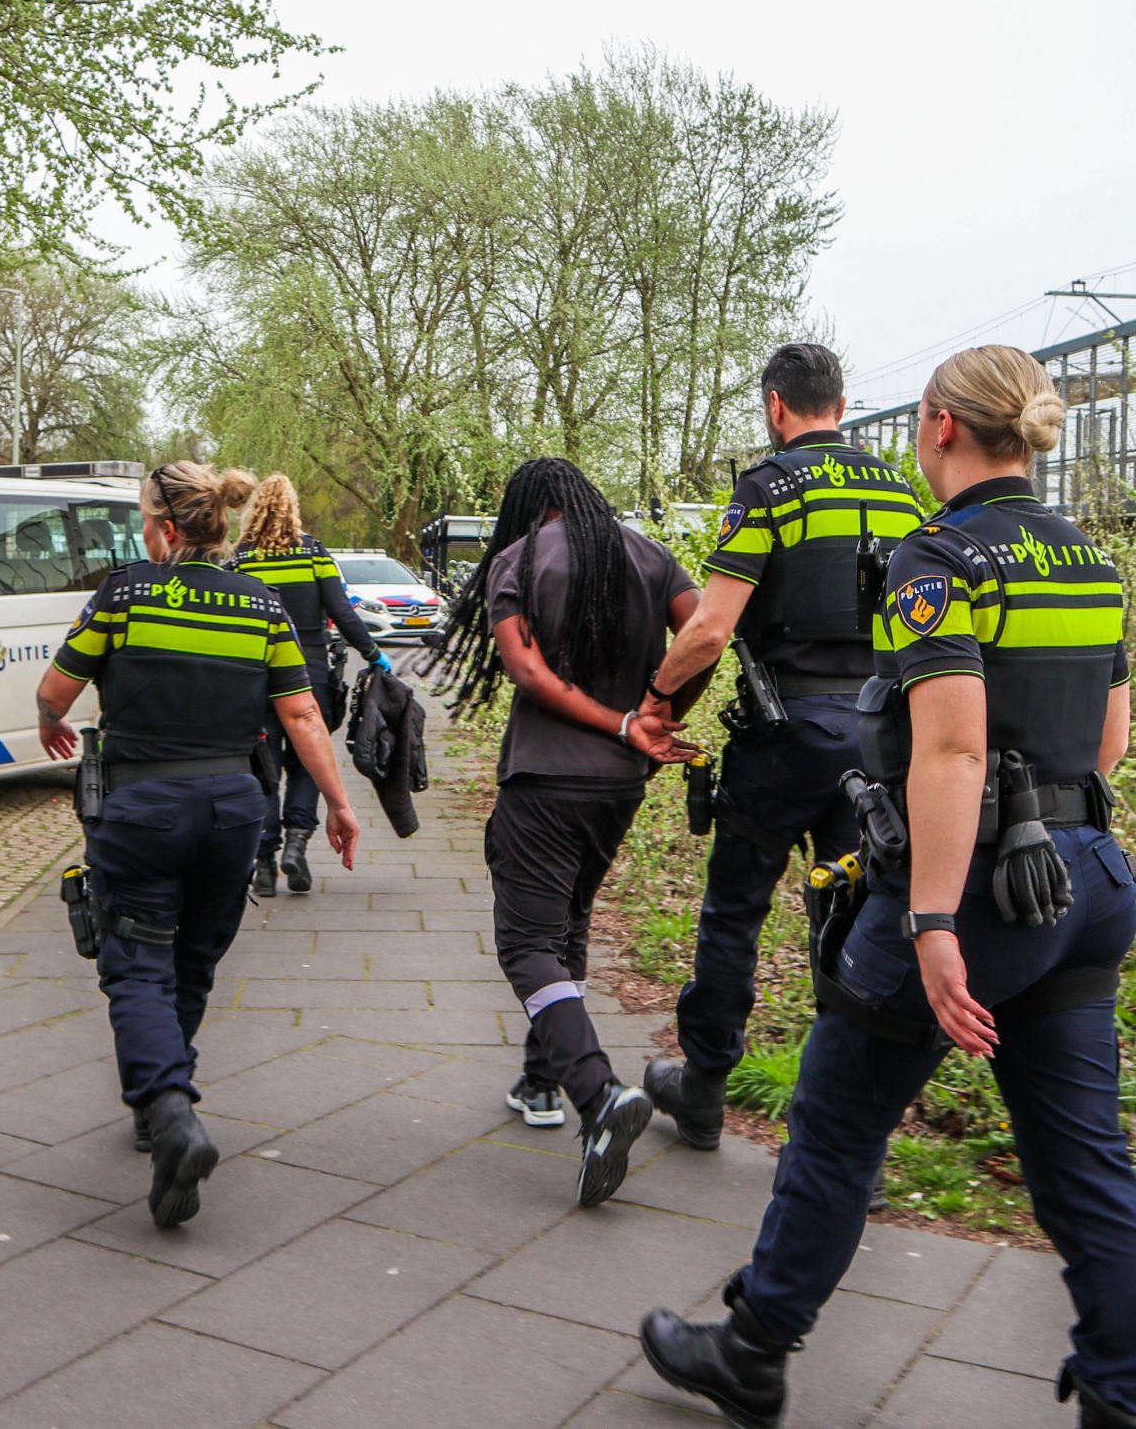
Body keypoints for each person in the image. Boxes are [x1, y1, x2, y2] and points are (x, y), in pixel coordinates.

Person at [638, 346, 1136, 1429]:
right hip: (1085, 887)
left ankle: (752, 1351)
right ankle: (1124, 1393)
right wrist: (1047, 844)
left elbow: (952, 753)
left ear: (937, 427)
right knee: (1085, 1165)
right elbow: (1106, 744)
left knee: (835, 1129)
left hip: (971, 889)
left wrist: (933, 918)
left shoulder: (942, 560)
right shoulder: (1090, 564)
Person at [35, 460, 363, 1230]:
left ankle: (172, 1109)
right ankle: (161, 1104)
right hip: (232, 810)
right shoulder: (262, 605)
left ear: (169, 527)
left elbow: (57, 690)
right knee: (193, 960)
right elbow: (303, 717)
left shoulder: (123, 593)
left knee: (136, 962)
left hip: (143, 805)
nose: (142, 532)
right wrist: (340, 805)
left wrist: (51, 718)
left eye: (146, 518)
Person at [634, 344, 923, 1161]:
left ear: (775, 406)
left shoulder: (767, 488)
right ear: (842, 400)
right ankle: (845, 1137)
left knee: (735, 914)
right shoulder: (902, 493)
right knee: (855, 927)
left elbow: (713, 628)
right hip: (874, 745)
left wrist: (655, 701)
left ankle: (704, 1090)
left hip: (784, 735)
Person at [433, 456, 702, 1208]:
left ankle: (597, 1093)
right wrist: (657, 716)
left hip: (545, 777)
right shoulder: (648, 554)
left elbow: (526, 670)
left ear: (529, 506)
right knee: (566, 922)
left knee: (525, 942)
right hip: (619, 785)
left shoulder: (517, 560)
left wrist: (626, 720)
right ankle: (541, 1079)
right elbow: (704, 632)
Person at [230, 473, 391, 897]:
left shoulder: (241, 557)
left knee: (262, 765)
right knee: (306, 759)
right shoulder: (313, 551)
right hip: (309, 673)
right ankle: (296, 845)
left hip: (256, 675)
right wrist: (373, 654)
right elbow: (341, 610)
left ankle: (263, 862)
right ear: (293, 508)